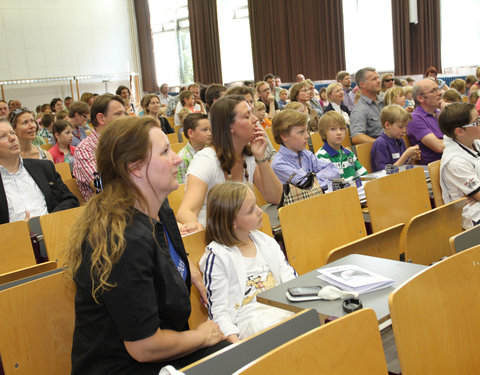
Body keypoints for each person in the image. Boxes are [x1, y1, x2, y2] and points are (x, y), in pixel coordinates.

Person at [68, 116, 228, 374]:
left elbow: (164, 258)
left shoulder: (159, 207)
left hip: (163, 354)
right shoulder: (121, 239)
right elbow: (144, 347)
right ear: (135, 168)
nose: (177, 158)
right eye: (165, 151)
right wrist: (202, 336)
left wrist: (190, 271)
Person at [200, 182, 296, 342]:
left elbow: (290, 280)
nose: (260, 212)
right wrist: (236, 344)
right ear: (232, 222)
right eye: (251, 210)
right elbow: (219, 312)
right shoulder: (217, 257)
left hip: (279, 308)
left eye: (256, 205)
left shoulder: (266, 242)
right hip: (248, 320)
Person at [177, 95, 282, 227]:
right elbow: (186, 212)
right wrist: (196, 229)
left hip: (242, 233)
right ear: (228, 126)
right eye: (247, 116)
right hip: (214, 238)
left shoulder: (248, 156)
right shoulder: (206, 161)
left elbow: (275, 197)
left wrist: (261, 157)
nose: (255, 120)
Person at [0, 118, 78, 224]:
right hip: (13, 238)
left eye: (12, 133)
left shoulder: (43, 168)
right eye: (2, 136)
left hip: (52, 231)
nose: (12, 138)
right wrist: (18, 231)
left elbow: (70, 200)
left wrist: (47, 221)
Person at [73, 94, 125, 201]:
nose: (124, 118)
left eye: (124, 113)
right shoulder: (85, 149)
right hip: (107, 209)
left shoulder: (126, 142)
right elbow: (103, 187)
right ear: (101, 118)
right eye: (118, 114)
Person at [271, 109, 339, 188]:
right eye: (301, 132)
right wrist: (323, 178)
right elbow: (307, 185)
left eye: (307, 131)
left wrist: (316, 177)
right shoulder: (279, 164)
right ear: (284, 136)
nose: (307, 136)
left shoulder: (305, 153)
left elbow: (333, 168)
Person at [439, 102, 480, 229]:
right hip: (474, 217)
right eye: (476, 121)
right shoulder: (455, 161)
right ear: (460, 131)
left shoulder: (475, 142)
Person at [316, 111, 366, 180]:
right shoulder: (321, 156)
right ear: (324, 133)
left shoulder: (349, 154)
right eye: (333, 129)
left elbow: (364, 176)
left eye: (342, 128)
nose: (339, 132)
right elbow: (327, 183)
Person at [371, 105, 421, 172]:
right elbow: (385, 172)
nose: (405, 130)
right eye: (400, 127)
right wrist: (405, 156)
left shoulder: (400, 140)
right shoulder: (381, 144)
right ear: (387, 125)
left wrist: (411, 159)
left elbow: (403, 166)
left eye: (405, 127)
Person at [407, 78, 444, 165]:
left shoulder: (439, 113)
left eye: (438, 89)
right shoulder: (415, 119)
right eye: (434, 91)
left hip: (449, 161)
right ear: (420, 98)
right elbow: (440, 147)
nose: (440, 93)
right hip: (436, 168)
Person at [350, 67, 384, 144]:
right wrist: (380, 143)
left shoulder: (384, 102)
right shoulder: (360, 109)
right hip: (379, 151)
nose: (379, 81)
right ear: (363, 84)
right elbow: (356, 137)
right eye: (374, 79)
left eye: (378, 78)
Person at [177, 113, 212, 184]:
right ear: (191, 133)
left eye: (210, 129)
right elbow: (183, 188)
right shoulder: (182, 159)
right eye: (204, 130)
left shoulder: (211, 150)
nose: (210, 133)